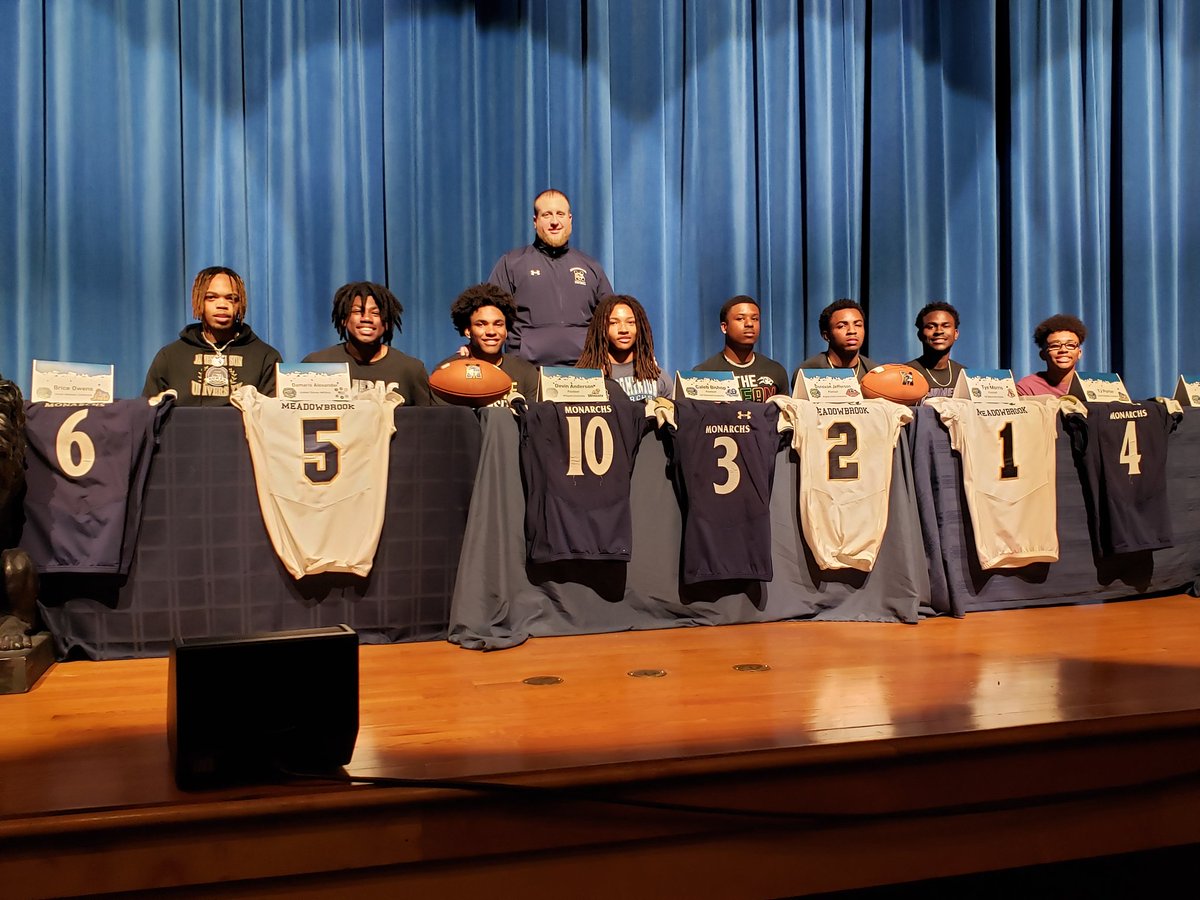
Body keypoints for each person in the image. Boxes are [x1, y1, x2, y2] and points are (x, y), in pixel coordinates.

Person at [486, 189, 613, 366]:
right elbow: (487, 315)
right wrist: (473, 349)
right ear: (535, 222)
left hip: (584, 371)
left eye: (560, 214)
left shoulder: (591, 267)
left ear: (570, 220)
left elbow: (611, 319)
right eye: (547, 215)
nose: (554, 221)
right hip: (528, 372)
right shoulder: (511, 264)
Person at [143, 266, 281, 405]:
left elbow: (273, 419)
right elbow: (149, 415)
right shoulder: (170, 357)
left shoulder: (266, 358)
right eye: (211, 297)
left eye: (231, 298)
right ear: (198, 301)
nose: (222, 304)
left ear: (241, 305)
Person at [303, 281, 431, 406]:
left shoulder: (411, 370)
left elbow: (427, 422)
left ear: (386, 322)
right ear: (343, 319)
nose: (367, 319)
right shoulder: (316, 365)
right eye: (358, 311)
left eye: (375, 313)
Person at [433, 284, 540, 401]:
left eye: (498, 324)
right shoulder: (447, 373)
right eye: (481, 324)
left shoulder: (525, 371)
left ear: (506, 330)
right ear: (468, 331)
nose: (491, 331)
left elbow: (533, 417)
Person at [693, 295, 789, 401]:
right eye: (740, 318)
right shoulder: (704, 374)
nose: (749, 324)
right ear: (724, 327)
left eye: (755, 319)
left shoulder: (775, 371)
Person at [576, 294, 671, 402]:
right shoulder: (584, 380)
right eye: (614, 323)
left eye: (631, 322)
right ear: (601, 328)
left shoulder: (658, 377)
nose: (623, 329)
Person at [792, 298, 878, 385]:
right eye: (841, 326)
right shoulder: (808, 372)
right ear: (826, 335)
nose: (852, 331)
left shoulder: (874, 373)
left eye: (858, 325)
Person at [1016, 314, 1087, 397]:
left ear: (1079, 353)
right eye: (1055, 346)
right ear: (1042, 355)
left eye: (1070, 345)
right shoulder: (1027, 388)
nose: (1063, 350)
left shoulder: (1093, 386)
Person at [907, 301, 966, 398]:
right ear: (920, 335)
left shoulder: (964, 375)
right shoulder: (907, 373)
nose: (939, 331)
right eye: (931, 327)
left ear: (956, 334)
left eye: (946, 326)